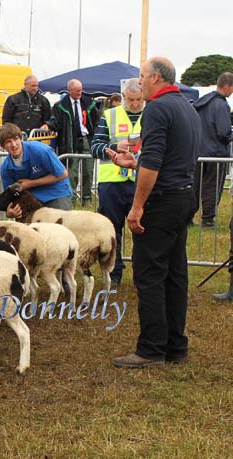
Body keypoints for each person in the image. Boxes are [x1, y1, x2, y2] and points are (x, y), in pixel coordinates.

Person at [109, 57, 201, 368]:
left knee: (149, 275)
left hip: (162, 202)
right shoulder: (187, 106)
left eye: (143, 76)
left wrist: (136, 207)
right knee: (175, 274)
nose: (139, 81)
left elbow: (153, 163)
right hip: (183, 195)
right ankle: (175, 346)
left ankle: (150, 349)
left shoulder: (158, 108)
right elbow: (167, 159)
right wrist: (131, 163)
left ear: (157, 78)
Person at [90, 78, 144, 287]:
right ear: (123, 97)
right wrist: (113, 146)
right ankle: (114, 273)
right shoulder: (109, 115)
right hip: (111, 182)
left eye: (139, 99)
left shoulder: (151, 115)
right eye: (131, 100)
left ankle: (142, 272)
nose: (136, 104)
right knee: (113, 230)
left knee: (141, 229)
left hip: (139, 180)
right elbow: (94, 147)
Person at [0, 123, 72, 218]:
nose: (14, 144)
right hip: (32, 199)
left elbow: (63, 174)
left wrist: (31, 183)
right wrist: (9, 212)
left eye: (16, 139)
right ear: (2, 146)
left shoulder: (41, 151)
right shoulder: (6, 168)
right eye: (8, 141)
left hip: (56, 193)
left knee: (60, 226)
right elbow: (9, 195)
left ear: (21, 138)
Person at [46, 79, 101, 205]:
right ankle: (71, 199)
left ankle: (86, 199)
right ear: (69, 91)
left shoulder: (89, 103)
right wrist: (48, 125)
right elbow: (55, 121)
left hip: (86, 140)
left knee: (88, 171)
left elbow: (97, 120)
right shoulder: (60, 106)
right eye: (77, 90)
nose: (79, 93)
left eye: (81, 90)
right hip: (70, 141)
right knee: (72, 172)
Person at [192, 72, 233, 227]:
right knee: (212, 186)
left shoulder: (201, 102)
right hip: (216, 153)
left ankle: (188, 215)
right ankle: (208, 219)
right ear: (227, 86)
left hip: (198, 152)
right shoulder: (221, 105)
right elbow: (224, 132)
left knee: (194, 185)